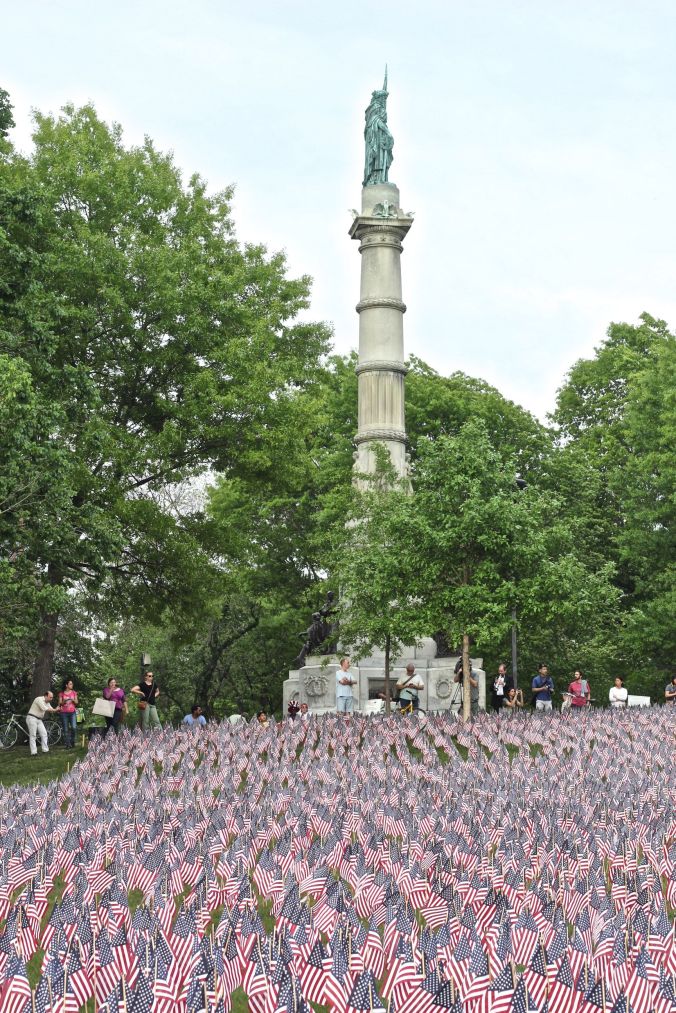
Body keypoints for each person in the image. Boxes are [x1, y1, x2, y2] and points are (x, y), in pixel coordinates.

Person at [26, 691, 59, 755]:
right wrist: (55, 710)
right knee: (33, 735)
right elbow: (44, 708)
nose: (51, 699)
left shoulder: (47, 702)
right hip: (31, 718)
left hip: (39, 719)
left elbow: (51, 710)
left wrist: (57, 709)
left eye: (52, 697)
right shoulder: (39, 699)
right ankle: (34, 752)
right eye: (50, 697)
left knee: (44, 734)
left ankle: (45, 750)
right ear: (46, 696)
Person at [58, 678, 78, 748]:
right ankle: (67, 744)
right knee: (65, 729)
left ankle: (72, 741)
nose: (72, 685)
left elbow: (77, 702)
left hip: (72, 713)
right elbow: (60, 703)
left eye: (72, 684)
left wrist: (72, 700)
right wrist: (64, 701)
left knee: (74, 727)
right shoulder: (61, 693)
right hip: (64, 713)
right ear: (66, 685)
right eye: (70, 684)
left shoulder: (74, 692)